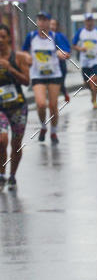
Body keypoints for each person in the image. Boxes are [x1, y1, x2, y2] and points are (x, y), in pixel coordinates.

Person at [23, 12, 71, 144]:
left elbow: (67, 52)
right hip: (37, 75)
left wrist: (63, 54)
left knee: (53, 105)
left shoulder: (56, 37)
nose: (42, 22)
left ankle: (54, 132)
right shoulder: (31, 37)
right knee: (41, 104)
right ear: (37, 22)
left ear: (49, 22)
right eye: (40, 19)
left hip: (54, 75)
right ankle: (44, 126)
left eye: (45, 20)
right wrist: (26, 57)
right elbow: (24, 51)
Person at [0, 24, 30, 188]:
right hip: (1, 107)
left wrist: (10, 68)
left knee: (16, 144)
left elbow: (26, 81)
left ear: (9, 38)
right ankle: (1, 174)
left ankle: (12, 175)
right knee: (2, 140)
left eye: (3, 37)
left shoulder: (18, 57)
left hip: (18, 106)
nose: (0, 40)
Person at [72, 13, 97, 108]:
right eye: (87, 20)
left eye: (91, 20)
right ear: (85, 22)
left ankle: (94, 100)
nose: (89, 22)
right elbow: (74, 45)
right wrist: (80, 49)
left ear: (93, 21)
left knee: (94, 80)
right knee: (87, 83)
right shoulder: (80, 32)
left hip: (96, 60)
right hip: (85, 61)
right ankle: (93, 94)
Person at [50, 18, 70, 104]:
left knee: (60, 82)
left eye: (54, 24)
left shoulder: (60, 36)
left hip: (60, 64)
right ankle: (54, 100)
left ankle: (64, 93)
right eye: (50, 24)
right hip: (49, 65)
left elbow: (67, 50)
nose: (52, 27)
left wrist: (63, 53)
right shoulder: (43, 36)